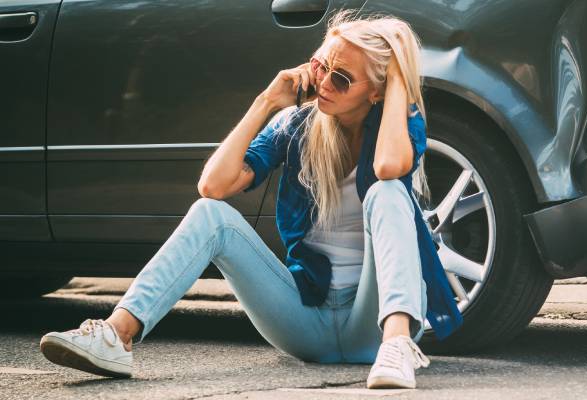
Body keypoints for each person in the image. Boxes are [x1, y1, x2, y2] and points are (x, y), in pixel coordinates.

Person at [38, 9, 463, 390]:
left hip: (372, 325)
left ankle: (397, 347)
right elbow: (213, 187)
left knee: (389, 192)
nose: (323, 82)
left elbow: (388, 168)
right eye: (320, 66)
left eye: (341, 78)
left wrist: (397, 87)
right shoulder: (296, 124)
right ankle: (117, 335)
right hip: (306, 322)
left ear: (377, 92)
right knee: (211, 214)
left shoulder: (400, 125)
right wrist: (266, 102)